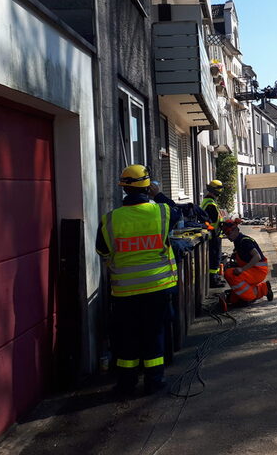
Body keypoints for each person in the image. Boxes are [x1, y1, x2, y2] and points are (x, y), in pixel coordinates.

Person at [96, 164, 180, 396]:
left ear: (123, 188)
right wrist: (158, 194)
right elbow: (178, 212)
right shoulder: (162, 212)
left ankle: (126, 384)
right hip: (158, 288)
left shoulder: (110, 220)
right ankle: (154, 381)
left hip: (124, 294)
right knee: (154, 334)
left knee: (127, 338)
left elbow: (102, 252)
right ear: (147, 185)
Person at [218, 218, 273, 311]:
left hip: (258, 271)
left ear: (235, 230)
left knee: (230, 274)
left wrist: (242, 269)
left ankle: (249, 298)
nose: (228, 236)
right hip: (254, 270)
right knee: (236, 285)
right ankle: (264, 289)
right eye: (226, 234)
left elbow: (257, 256)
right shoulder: (238, 241)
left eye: (228, 233)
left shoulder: (245, 241)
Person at [201, 180, 226, 288]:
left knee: (216, 258)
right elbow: (210, 221)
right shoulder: (210, 204)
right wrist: (214, 230)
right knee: (214, 259)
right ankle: (213, 280)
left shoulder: (208, 202)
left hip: (214, 235)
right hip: (214, 236)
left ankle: (215, 278)